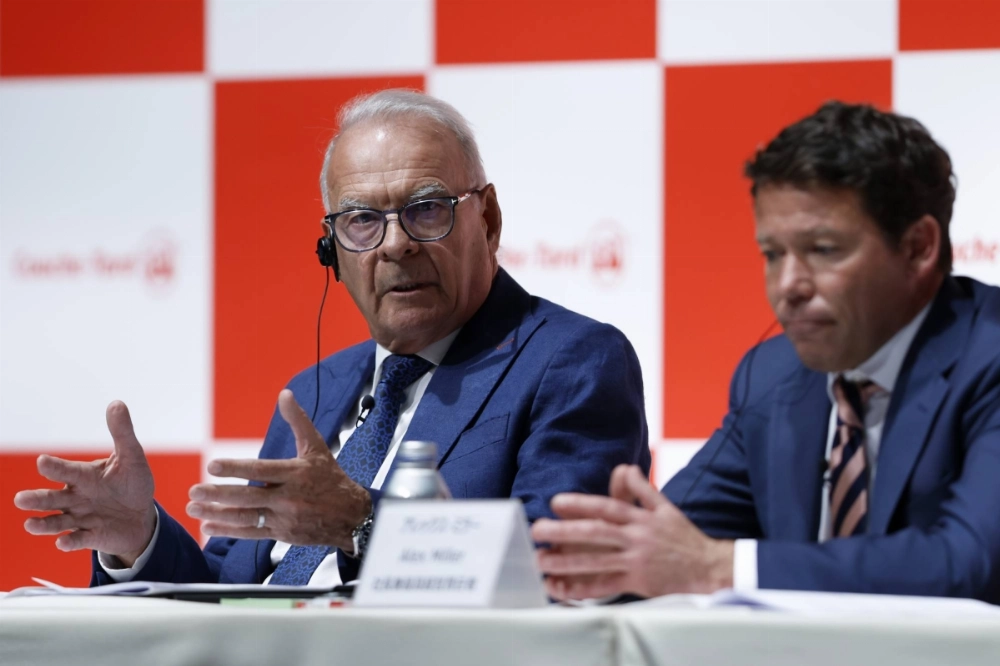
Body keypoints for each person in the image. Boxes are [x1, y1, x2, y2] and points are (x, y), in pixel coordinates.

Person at [14, 90, 650, 586]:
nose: (396, 244)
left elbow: (559, 570)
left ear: (487, 221)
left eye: (426, 209)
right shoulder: (316, 390)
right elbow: (230, 593)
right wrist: (138, 537)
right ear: (333, 252)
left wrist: (363, 523)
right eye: (362, 221)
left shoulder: (572, 361)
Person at [533, 101, 1000, 603]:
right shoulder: (773, 374)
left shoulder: (987, 355)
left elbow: (968, 565)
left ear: (918, 248)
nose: (788, 286)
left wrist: (725, 567)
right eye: (773, 255)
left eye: (824, 249)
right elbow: (669, 545)